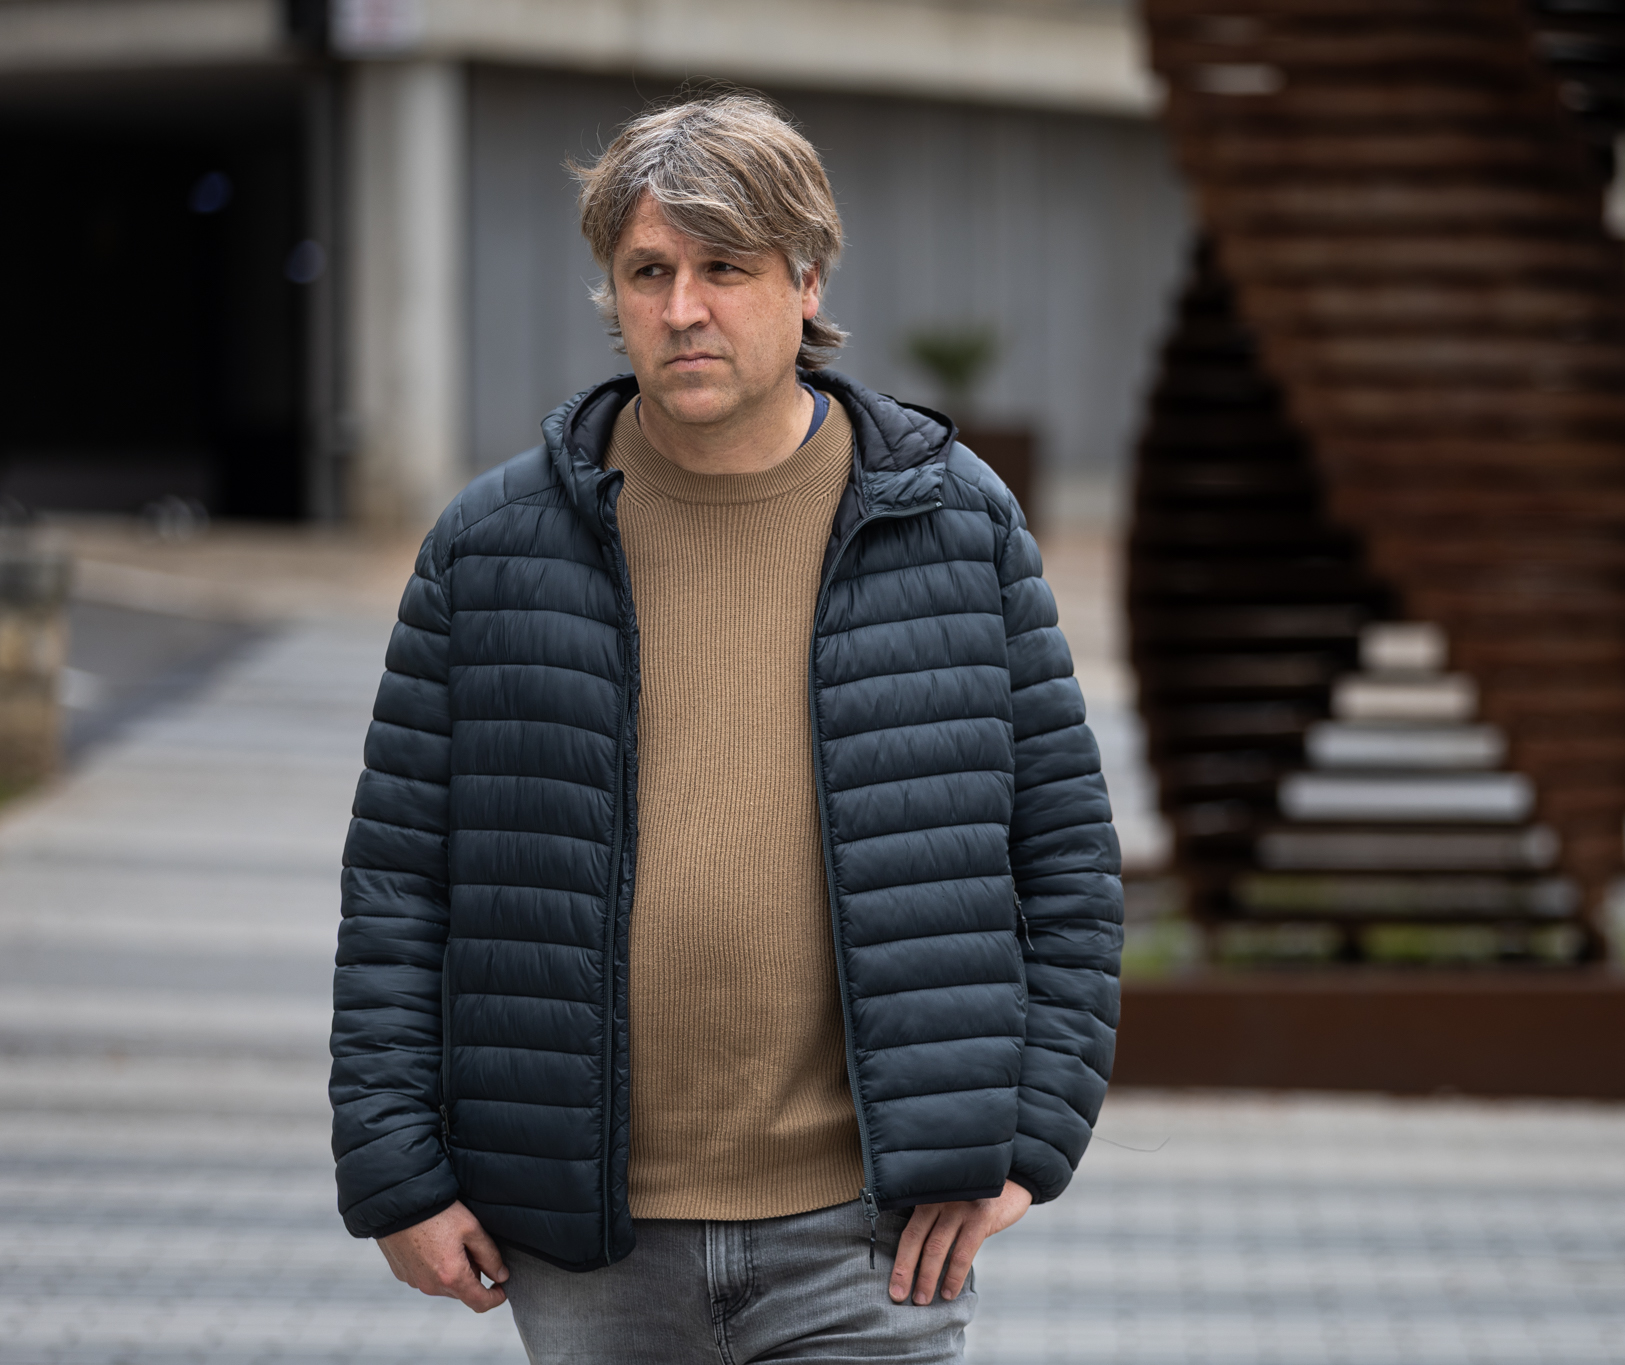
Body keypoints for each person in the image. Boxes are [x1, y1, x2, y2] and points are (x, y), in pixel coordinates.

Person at [328, 90, 1123, 1363]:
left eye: (723, 269)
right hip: (587, 1236)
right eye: (648, 271)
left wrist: (1028, 1143)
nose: (681, 307)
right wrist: (394, 1172)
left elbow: (1066, 857)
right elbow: (399, 881)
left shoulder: (954, 524)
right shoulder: (490, 549)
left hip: (868, 1233)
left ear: (805, 281)